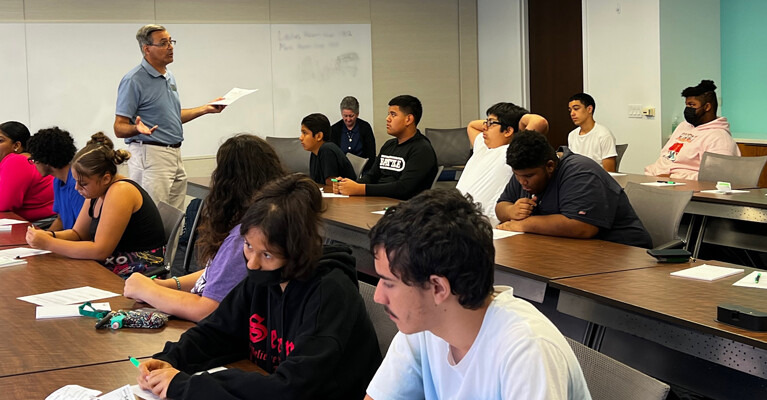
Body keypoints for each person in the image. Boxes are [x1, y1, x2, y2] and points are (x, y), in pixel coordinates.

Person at [137, 174, 382, 399]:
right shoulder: (265, 279)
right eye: (248, 246)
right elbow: (218, 331)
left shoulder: (330, 294)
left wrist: (187, 386)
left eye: (267, 255)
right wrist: (172, 360)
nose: (252, 263)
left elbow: (292, 388)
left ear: (297, 254)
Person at [365, 188, 591, 400]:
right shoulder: (423, 325)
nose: (379, 296)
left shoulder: (527, 350)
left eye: (389, 283)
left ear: (438, 288)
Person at [123, 134, 286, 322]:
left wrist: (148, 290)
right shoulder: (259, 222)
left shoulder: (244, 236)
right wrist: (168, 285)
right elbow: (219, 271)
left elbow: (207, 310)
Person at [114, 24, 225, 211]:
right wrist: (136, 128)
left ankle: (171, 243)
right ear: (147, 49)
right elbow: (119, 127)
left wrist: (205, 109)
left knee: (174, 217)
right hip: (150, 154)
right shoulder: (133, 80)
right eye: (163, 43)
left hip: (174, 153)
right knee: (153, 216)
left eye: (171, 41)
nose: (170, 47)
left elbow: (172, 116)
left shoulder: (168, 76)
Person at [26, 133, 167, 277]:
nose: (76, 188)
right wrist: (49, 235)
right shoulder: (96, 191)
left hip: (138, 269)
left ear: (105, 178)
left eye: (83, 183)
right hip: (115, 263)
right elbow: (78, 234)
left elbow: (100, 251)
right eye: (75, 181)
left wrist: (49, 243)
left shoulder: (121, 191)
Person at [496, 130, 652, 248]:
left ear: (550, 166)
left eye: (528, 176)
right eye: (517, 175)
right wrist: (511, 211)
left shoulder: (580, 172)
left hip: (622, 250)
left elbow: (582, 227)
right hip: (568, 248)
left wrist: (524, 223)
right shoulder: (524, 171)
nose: (522, 182)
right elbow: (501, 205)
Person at [458, 102, 549, 225]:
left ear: (508, 131)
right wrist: (495, 122)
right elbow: (472, 125)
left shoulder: (513, 151)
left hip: (481, 222)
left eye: (491, 123)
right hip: (455, 214)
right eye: (486, 122)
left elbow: (539, 122)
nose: (484, 127)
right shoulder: (482, 146)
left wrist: (517, 120)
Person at [334, 95, 437, 200]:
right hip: (376, 203)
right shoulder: (389, 145)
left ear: (408, 119)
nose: (387, 119)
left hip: (405, 208)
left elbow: (403, 188)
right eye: (388, 114)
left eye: (393, 115)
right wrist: (348, 185)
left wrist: (360, 189)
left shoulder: (422, 149)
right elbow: (371, 176)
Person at [645, 80, 740, 180]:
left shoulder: (719, 138)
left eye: (692, 105)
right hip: (657, 178)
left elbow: (714, 178)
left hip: (683, 187)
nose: (687, 109)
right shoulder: (683, 126)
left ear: (707, 107)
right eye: (686, 105)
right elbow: (665, 156)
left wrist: (673, 177)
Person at [26, 127, 85, 231]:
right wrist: (43, 237)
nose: (34, 163)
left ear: (44, 159)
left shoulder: (77, 184)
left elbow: (82, 232)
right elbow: (60, 219)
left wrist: (47, 239)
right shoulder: (57, 181)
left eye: (34, 159)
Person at [0, 121, 54, 222]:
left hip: (43, 224)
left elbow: (4, 205)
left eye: (0, 141)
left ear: (16, 145)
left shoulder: (15, 161)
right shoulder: (25, 159)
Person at [299, 113, 356, 185]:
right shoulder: (315, 152)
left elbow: (331, 181)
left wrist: (336, 181)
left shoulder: (327, 150)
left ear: (319, 136)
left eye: (305, 133)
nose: (300, 138)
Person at [566, 93, 618, 172]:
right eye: (570, 110)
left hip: (596, 180)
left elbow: (609, 172)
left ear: (589, 109)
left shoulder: (604, 135)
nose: (572, 113)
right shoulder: (572, 135)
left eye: (576, 109)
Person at [329, 96, 376, 174]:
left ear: (357, 114)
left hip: (363, 171)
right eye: (345, 116)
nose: (348, 119)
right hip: (341, 171)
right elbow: (333, 156)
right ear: (341, 114)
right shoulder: (335, 129)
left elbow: (371, 155)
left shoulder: (365, 127)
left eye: (351, 116)